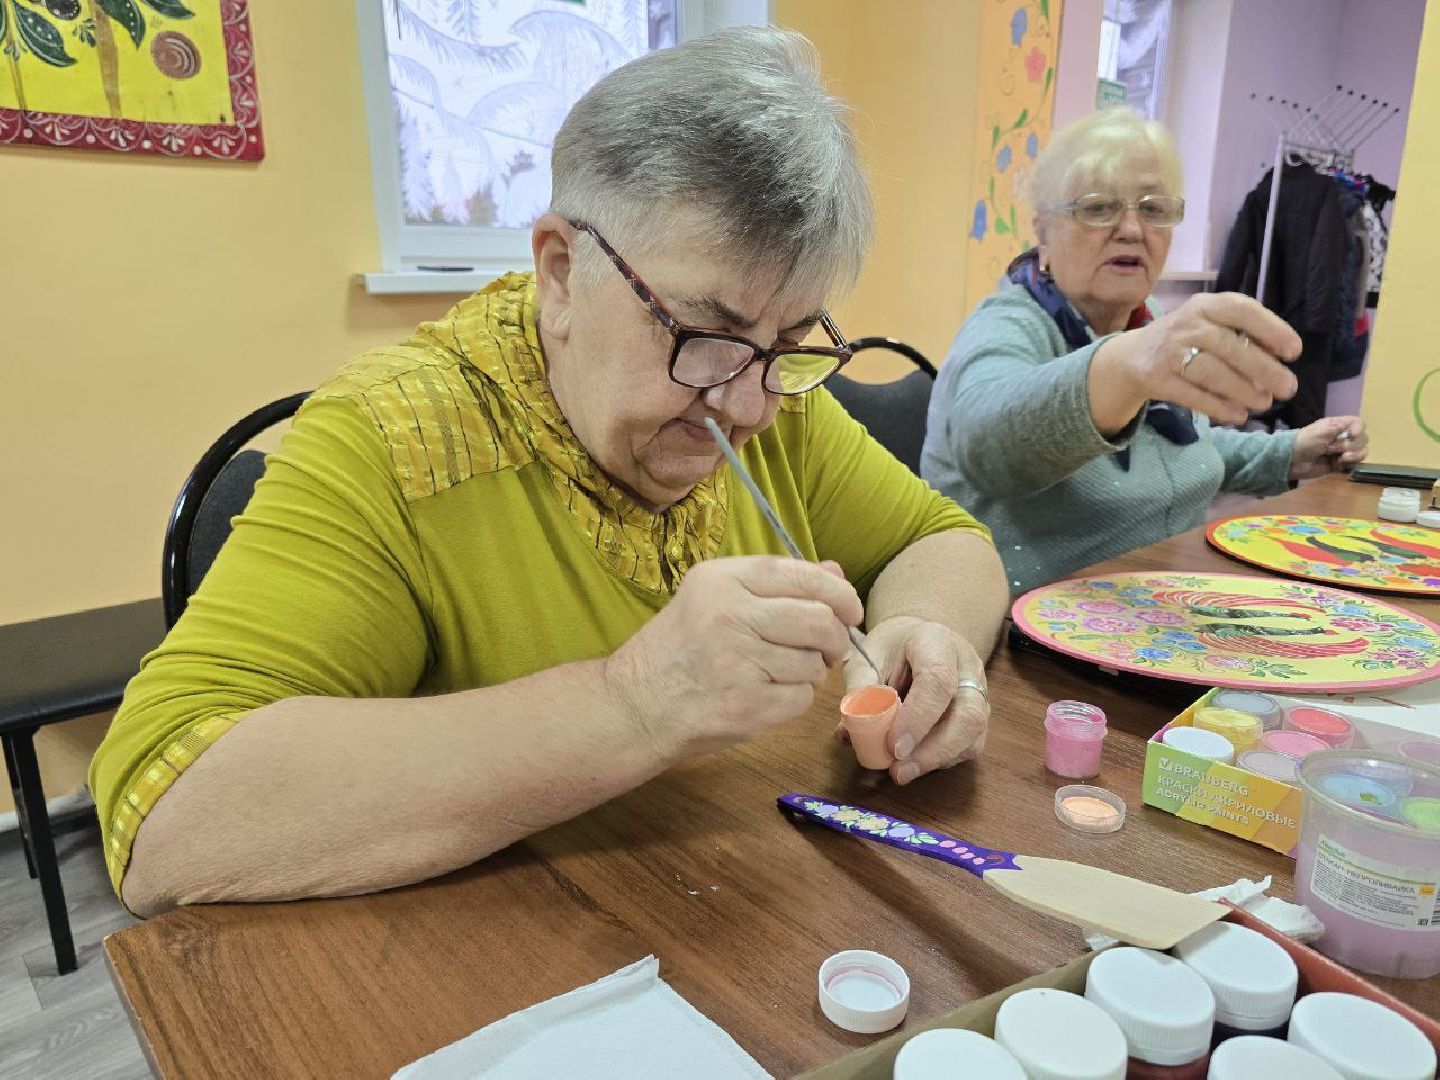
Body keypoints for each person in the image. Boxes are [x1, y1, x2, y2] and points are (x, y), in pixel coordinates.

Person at [92, 28, 1008, 917]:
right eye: (703, 334)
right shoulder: (394, 440)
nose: (748, 407)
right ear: (563, 273)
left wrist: (928, 634)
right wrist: (637, 701)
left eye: (791, 342)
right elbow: (161, 817)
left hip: (734, 917)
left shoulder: (775, 398)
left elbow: (944, 539)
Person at [921, 110, 1369, 595]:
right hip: (1029, 631)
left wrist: (1288, 453)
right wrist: (1125, 366)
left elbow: (1177, 451)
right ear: (1043, 234)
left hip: (1157, 601)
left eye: (1154, 209)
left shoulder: (1147, 318)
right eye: (1097, 208)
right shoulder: (1009, 323)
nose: (1132, 230)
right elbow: (985, 446)